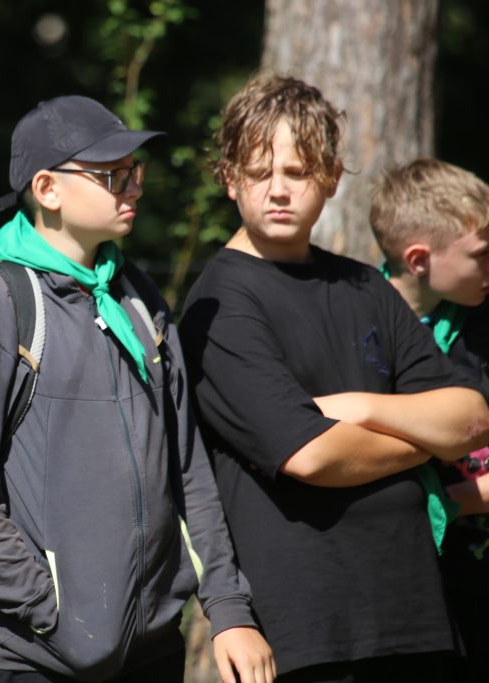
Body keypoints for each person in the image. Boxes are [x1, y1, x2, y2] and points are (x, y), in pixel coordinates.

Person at [0, 95, 275, 683]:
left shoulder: (137, 298)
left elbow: (187, 470)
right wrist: (50, 610)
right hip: (31, 656)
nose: (133, 187)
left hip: (150, 650)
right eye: (113, 175)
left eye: (136, 172)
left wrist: (228, 607)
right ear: (47, 189)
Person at [179, 75, 489, 682]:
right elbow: (313, 456)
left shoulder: (363, 285)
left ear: (329, 177)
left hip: (416, 612)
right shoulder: (221, 305)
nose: (278, 190)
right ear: (229, 178)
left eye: (297, 172)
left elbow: (471, 417)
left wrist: (360, 408)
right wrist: (426, 441)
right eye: (259, 172)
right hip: (307, 631)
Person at [369, 157, 489, 682]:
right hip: (398, 584)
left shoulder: (479, 323)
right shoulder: (355, 325)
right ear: (418, 259)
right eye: (481, 255)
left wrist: (450, 501)